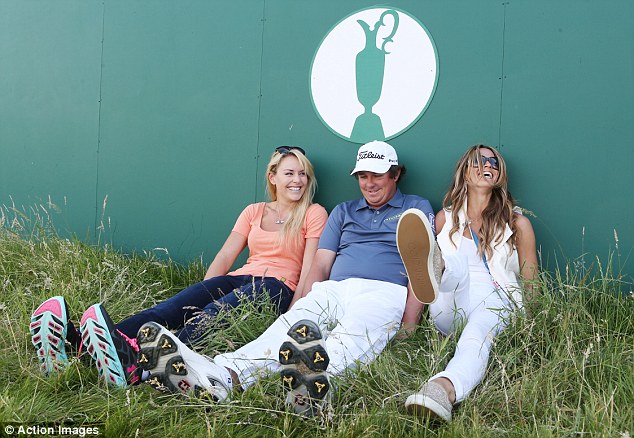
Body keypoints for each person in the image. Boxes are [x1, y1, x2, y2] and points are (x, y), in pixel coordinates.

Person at [133, 140, 436, 416]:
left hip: (383, 289)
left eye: (377, 175)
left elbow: (420, 267)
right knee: (291, 329)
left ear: (396, 174)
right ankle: (224, 376)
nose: (369, 184)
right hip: (334, 287)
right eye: (363, 176)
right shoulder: (344, 211)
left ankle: (314, 388)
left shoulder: (416, 208)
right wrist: (306, 300)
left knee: (354, 335)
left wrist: (409, 323)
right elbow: (321, 262)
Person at [29, 146, 327, 387]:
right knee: (169, 309)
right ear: (273, 177)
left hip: (276, 287)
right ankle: (81, 346)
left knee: (212, 314)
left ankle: (143, 364)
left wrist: (293, 313)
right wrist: (204, 289)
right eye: (289, 173)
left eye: (303, 174)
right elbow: (226, 255)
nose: (297, 180)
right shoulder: (254, 211)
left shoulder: (313, 213)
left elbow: (310, 268)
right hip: (239, 278)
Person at [398, 144, 538, 422]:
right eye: (479, 160)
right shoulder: (445, 219)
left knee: (477, 332)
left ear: (499, 174)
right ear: (464, 171)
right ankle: (440, 266)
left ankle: (442, 389)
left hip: (496, 303)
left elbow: (531, 282)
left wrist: (533, 329)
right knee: (454, 266)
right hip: (449, 304)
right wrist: (409, 325)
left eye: (493, 163)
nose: (487, 165)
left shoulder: (517, 223)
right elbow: (419, 278)